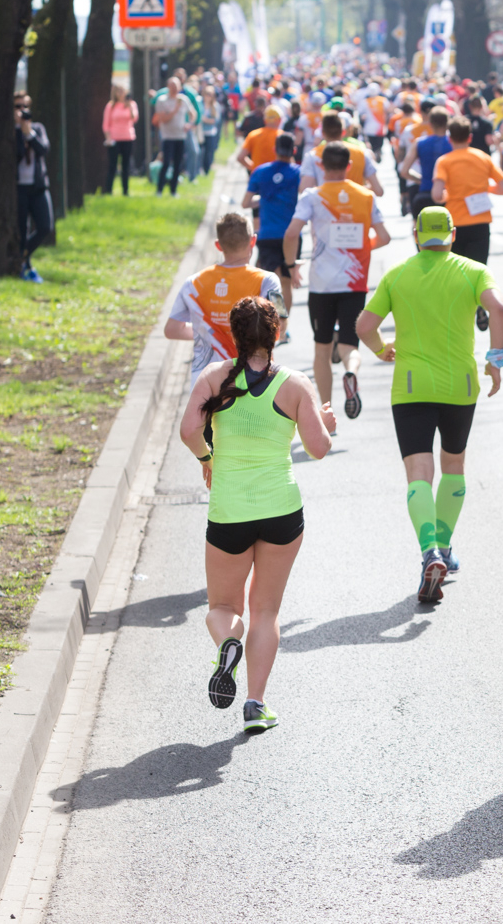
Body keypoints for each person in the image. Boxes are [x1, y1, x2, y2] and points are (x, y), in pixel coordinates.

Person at [180, 296, 333, 735]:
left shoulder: (215, 377)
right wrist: (325, 422)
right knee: (265, 612)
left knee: (223, 607)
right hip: (281, 510)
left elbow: (189, 430)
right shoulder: (295, 383)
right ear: (277, 333)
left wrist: (207, 456)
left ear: (234, 335)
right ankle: (254, 704)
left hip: (229, 510)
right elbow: (319, 449)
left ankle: (229, 643)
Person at [355, 209, 503, 602]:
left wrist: (381, 349)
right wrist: (495, 359)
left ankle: (429, 551)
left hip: (410, 387)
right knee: (453, 465)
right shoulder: (473, 271)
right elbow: (501, 309)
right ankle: (444, 545)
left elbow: (363, 326)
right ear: (453, 235)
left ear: (415, 235)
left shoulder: (398, 275)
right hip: (460, 384)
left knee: (418, 474)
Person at [287, 142, 390, 420]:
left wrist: (291, 266)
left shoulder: (312, 196)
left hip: (321, 285)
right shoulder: (366, 196)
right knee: (349, 345)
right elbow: (384, 237)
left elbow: (291, 233)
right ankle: (350, 372)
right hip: (355, 283)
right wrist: (360, 247)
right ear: (349, 166)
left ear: (321, 166)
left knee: (322, 349)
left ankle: (326, 411)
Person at [165, 210, 285, 387]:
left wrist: (205, 331)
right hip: (253, 379)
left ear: (218, 245)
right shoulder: (269, 281)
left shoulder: (193, 284)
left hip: (205, 380)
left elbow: (172, 329)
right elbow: (280, 322)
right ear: (253, 241)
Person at [431, 114, 503, 330]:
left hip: (455, 224)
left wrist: (450, 194)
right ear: (470, 137)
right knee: (477, 270)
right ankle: (479, 306)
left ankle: (458, 315)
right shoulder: (483, 158)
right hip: (480, 223)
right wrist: (484, 189)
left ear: (450, 138)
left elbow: (436, 194)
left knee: (454, 271)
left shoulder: (445, 161)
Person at [242, 134, 302, 343]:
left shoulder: (261, 171)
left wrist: (266, 199)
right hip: (291, 235)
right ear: (293, 151)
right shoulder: (298, 173)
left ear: (275, 150)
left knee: (273, 283)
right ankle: (283, 328)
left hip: (267, 234)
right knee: (285, 281)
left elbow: (246, 203)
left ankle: (278, 324)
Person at [15, 91, 52, 284]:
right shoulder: (11, 132)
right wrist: (19, 133)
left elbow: (43, 150)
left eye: (25, 107)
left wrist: (28, 133)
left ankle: (21, 258)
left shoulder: (37, 128)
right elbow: (16, 156)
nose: (22, 111)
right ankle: (25, 265)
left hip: (38, 187)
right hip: (19, 189)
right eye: (18, 107)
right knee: (22, 229)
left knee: (45, 226)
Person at [400, 106, 453, 217]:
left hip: (424, 194)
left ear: (430, 123)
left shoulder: (419, 143)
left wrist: (421, 180)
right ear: (448, 123)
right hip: (448, 194)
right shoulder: (453, 143)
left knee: (420, 230)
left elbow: (404, 171)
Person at [153, 77, 196, 196]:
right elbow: (163, 119)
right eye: (172, 86)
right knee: (166, 162)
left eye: (176, 86)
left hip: (180, 136)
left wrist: (190, 124)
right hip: (167, 137)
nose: (174, 89)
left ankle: (173, 190)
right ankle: (159, 190)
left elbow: (193, 113)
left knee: (178, 164)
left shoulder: (184, 99)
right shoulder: (162, 100)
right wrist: (175, 109)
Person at [101, 83, 138, 196]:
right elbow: (106, 124)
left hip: (128, 137)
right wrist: (108, 139)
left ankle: (125, 191)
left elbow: (134, 118)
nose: (121, 93)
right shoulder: (110, 106)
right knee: (112, 165)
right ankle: (108, 190)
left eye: (123, 91)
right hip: (114, 139)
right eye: (119, 91)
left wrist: (129, 107)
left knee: (126, 165)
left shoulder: (132, 104)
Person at [235, 106, 283, 172]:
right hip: (276, 177)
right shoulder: (282, 137)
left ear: (265, 120)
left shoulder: (253, 135)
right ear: (280, 120)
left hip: (257, 177)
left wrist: (254, 168)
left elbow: (240, 157)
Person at [198, 86, 223, 175]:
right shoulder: (199, 103)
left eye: (210, 95)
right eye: (207, 94)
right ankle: (199, 169)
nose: (208, 96)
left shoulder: (215, 106)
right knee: (200, 152)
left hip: (210, 132)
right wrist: (207, 120)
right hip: (200, 132)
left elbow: (216, 120)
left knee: (209, 153)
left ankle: (206, 170)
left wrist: (205, 120)